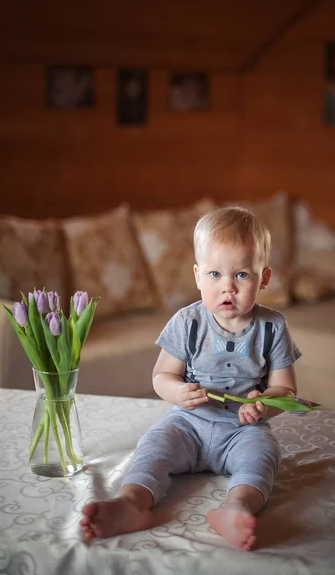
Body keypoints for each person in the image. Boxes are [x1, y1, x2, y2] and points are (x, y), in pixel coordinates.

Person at [80, 206, 301, 550]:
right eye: (215, 275)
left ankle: (236, 507)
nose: (227, 287)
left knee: (263, 455)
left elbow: (285, 389)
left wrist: (263, 406)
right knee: (153, 447)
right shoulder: (188, 322)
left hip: (243, 430)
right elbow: (162, 376)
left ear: (265, 277)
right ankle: (132, 503)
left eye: (242, 275)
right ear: (198, 276)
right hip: (189, 422)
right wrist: (178, 392)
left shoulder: (273, 327)